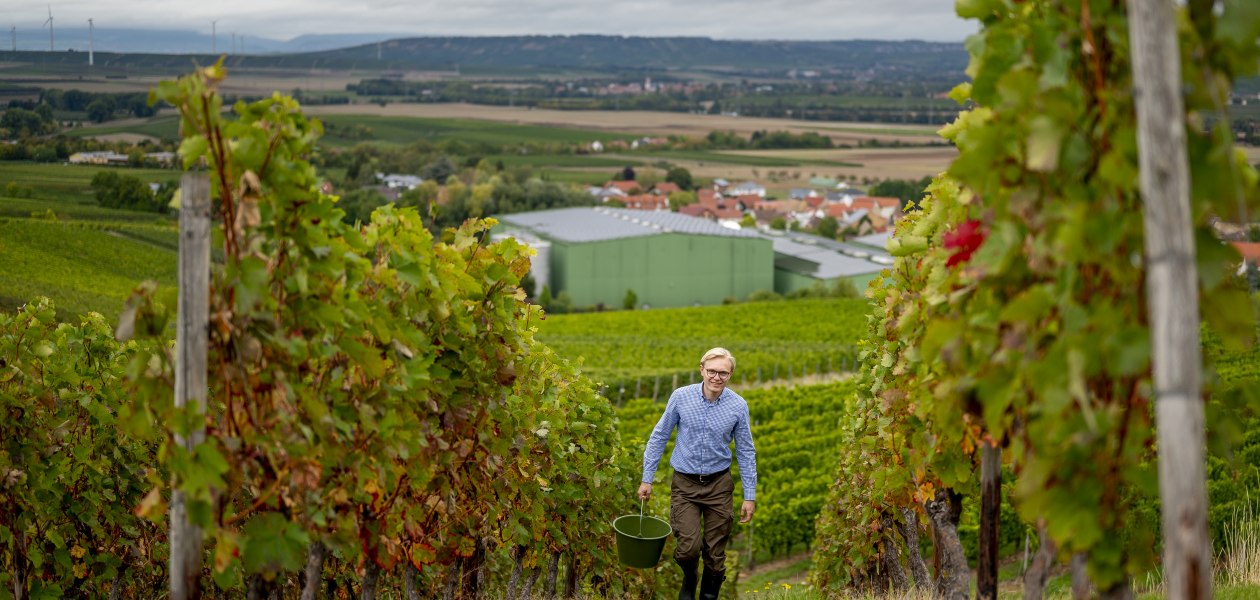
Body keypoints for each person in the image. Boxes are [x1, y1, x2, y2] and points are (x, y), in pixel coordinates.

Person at [639, 347, 757, 600]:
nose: (716, 377)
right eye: (712, 371)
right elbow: (659, 436)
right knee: (687, 549)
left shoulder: (738, 405)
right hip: (685, 485)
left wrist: (750, 495)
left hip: (719, 485)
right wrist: (647, 478)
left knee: (715, 554)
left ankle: (708, 596)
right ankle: (690, 577)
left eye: (723, 373)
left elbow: (746, 450)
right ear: (702, 370)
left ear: (730, 374)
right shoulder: (681, 397)